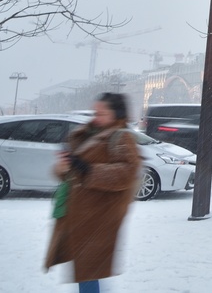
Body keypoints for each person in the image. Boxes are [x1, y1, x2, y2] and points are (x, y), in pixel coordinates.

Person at [45, 93, 142, 293]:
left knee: (88, 272)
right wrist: (64, 167)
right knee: (87, 272)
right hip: (81, 216)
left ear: (116, 114)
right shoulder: (87, 133)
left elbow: (127, 173)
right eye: (95, 112)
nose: (96, 116)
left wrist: (88, 169)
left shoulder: (121, 137)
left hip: (100, 217)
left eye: (102, 113)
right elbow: (68, 173)